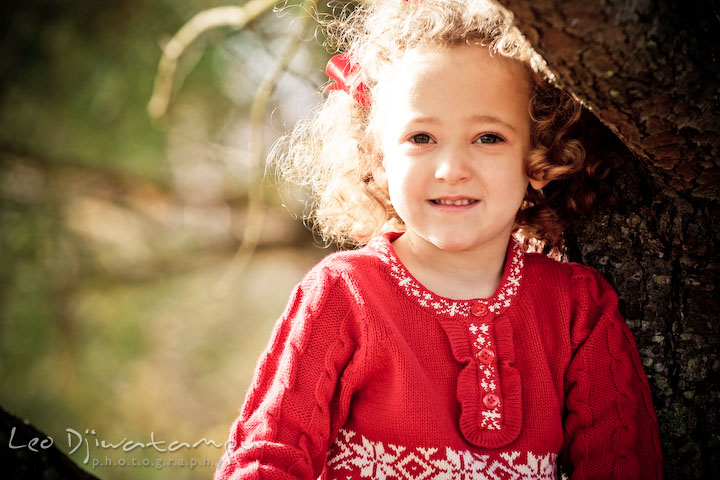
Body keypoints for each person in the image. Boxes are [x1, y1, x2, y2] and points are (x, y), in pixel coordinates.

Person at [214, 0, 663, 478]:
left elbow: (621, 464)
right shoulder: (343, 294)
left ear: (536, 157)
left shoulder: (578, 308)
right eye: (421, 138)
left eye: (488, 137)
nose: (451, 170)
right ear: (379, 158)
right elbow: (266, 461)